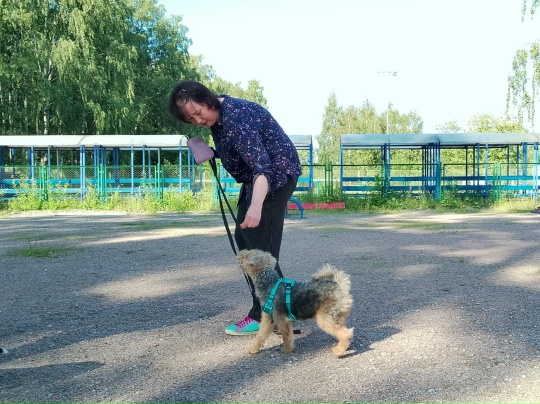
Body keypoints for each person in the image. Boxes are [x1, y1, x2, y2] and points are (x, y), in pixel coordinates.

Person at [168, 80, 302, 335]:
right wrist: (213, 153)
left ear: (207, 99)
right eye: (191, 119)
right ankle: (276, 311)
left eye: (198, 112)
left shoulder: (237, 117)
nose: (198, 120)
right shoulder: (218, 119)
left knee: (261, 250)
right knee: (245, 238)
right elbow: (241, 151)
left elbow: (263, 166)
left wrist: (256, 205)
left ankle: (270, 316)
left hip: (275, 177)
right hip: (257, 179)